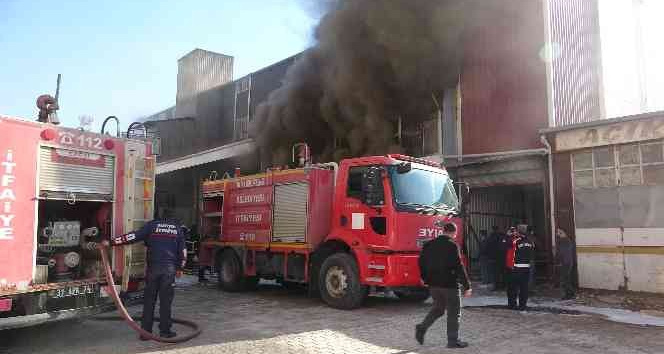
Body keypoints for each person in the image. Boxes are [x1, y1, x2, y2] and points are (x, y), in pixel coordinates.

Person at [103, 210, 186, 340]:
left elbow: (132, 237)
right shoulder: (177, 229)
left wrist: (112, 242)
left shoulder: (152, 226)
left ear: (158, 217)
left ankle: (145, 333)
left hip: (153, 269)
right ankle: (165, 332)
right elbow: (183, 252)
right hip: (168, 271)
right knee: (165, 302)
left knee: (149, 301)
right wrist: (180, 268)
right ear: (172, 218)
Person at [415, 223, 472, 349]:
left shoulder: (428, 244)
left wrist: (424, 278)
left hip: (434, 285)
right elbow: (459, 266)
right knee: (454, 312)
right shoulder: (452, 245)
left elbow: (421, 262)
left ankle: (422, 327)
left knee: (438, 309)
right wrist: (467, 286)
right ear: (454, 232)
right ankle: (453, 341)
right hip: (449, 285)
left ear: (442, 230)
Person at [505, 225, 535, 310]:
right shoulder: (530, 241)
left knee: (512, 288)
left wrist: (508, 235)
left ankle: (512, 305)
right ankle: (523, 305)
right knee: (524, 288)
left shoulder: (515, 241)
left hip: (516, 268)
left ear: (518, 232)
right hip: (527, 268)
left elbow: (505, 244)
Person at [557, 228, 576, 300]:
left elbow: (562, 253)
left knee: (564, 279)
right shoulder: (568, 240)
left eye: (559, 232)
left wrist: (560, 262)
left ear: (563, 233)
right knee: (566, 278)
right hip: (568, 262)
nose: (557, 233)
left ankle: (568, 294)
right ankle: (570, 293)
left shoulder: (563, 241)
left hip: (565, 262)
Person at [489, 226, 508, 290]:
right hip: (503, 258)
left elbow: (490, 247)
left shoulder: (492, 237)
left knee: (496, 273)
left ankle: (496, 286)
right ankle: (504, 285)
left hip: (496, 258)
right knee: (503, 273)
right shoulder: (503, 236)